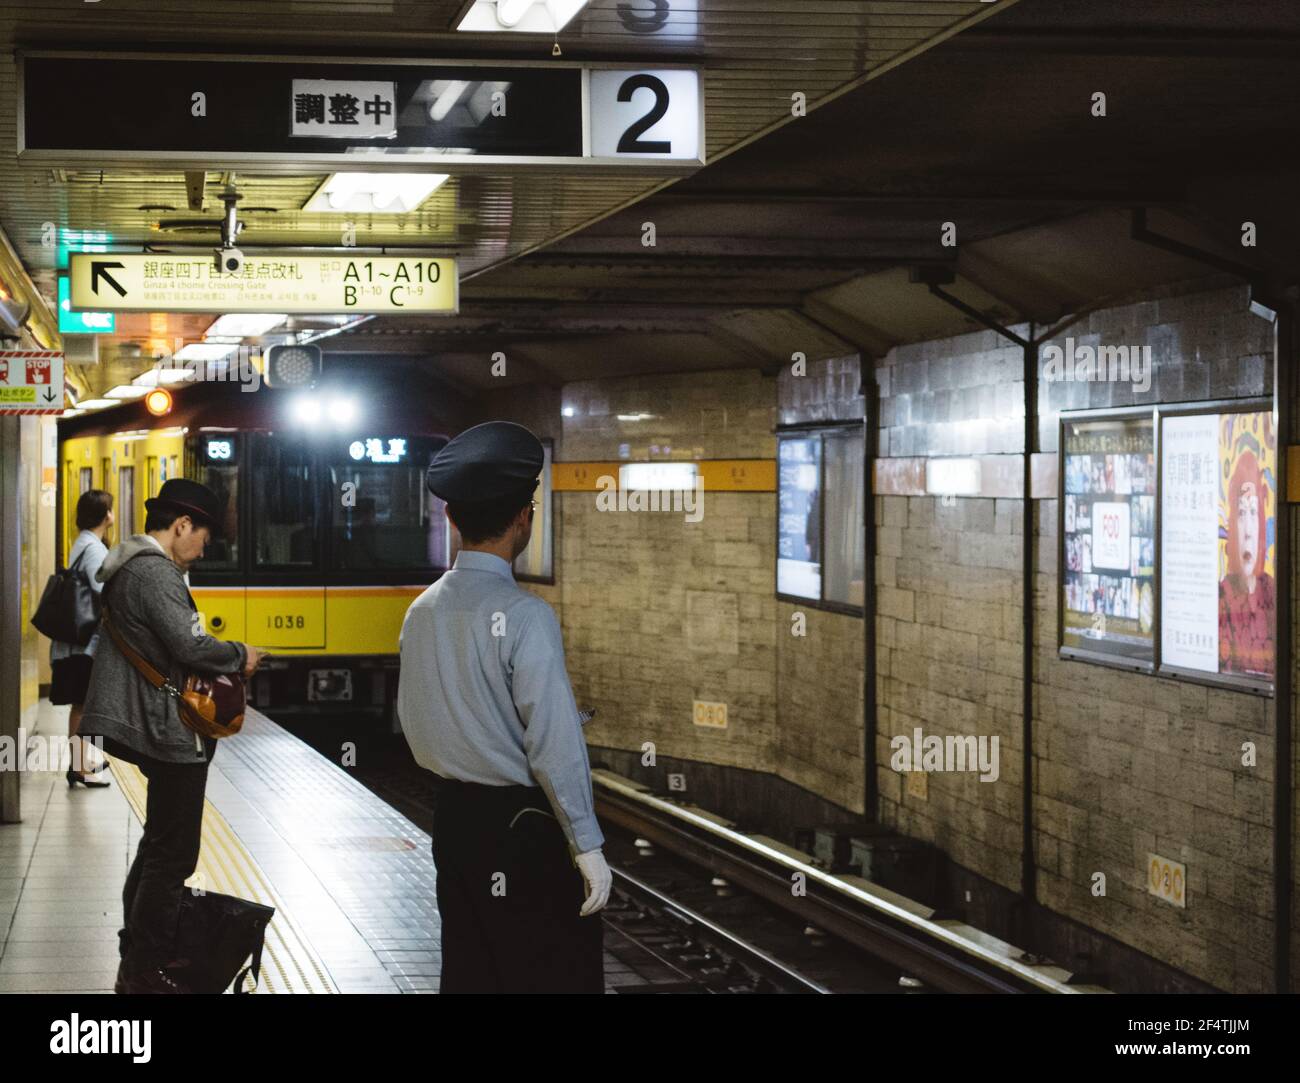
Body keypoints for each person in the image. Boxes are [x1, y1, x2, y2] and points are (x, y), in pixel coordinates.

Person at [398, 421, 610, 993]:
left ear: (451, 517)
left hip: (455, 824)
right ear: (524, 519)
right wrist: (586, 845)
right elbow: (553, 744)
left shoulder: (421, 611)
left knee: (471, 971)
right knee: (550, 973)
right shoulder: (525, 617)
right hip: (523, 828)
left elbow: (413, 722)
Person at [78, 478, 263, 994]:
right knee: (172, 853)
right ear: (181, 526)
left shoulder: (134, 566)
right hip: (165, 728)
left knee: (159, 845)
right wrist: (239, 655)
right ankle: (144, 969)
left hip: (151, 720)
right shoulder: (153, 572)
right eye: (202, 538)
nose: (202, 550)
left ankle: (138, 956)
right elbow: (191, 643)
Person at [49, 489, 114, 787]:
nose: (113, 514)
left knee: (84, 704)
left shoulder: (83, 543)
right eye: (110, 509)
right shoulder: (94, 549)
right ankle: (78, 766)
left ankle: (82, 761)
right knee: (84, 705)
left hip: (76, 642)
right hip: (85, 643)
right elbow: (102, 590)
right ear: (104, 516)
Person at [1219, 450, 1275, 679]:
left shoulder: (1272, 590)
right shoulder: (1222, 597)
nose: (1249, 531)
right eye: (1242, 514)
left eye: (1254, 512)